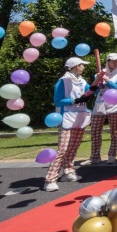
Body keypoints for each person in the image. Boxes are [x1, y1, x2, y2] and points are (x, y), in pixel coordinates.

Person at [44, 57, 99, 191]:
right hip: (66, 118)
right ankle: (50, 179)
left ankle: (68, 172)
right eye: (81, 65)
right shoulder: (63, 81)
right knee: (62, 150)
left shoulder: (82, 80)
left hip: (80, 117)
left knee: (73, 147)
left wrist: (98, 83)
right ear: (74, 66)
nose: (83, 67)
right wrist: (74, 100)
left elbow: (91, 92)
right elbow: (58, 101)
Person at [83, 53, 117, 165]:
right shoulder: (98, 74)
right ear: (108, 61)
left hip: (114, 105)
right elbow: (95, 92)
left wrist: (107, 80)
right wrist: (99, 84)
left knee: (114, 131)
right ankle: (95, 156)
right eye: (114, 61)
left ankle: (112, 155)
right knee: (95, 131)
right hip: (100, 105)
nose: (116, 63)